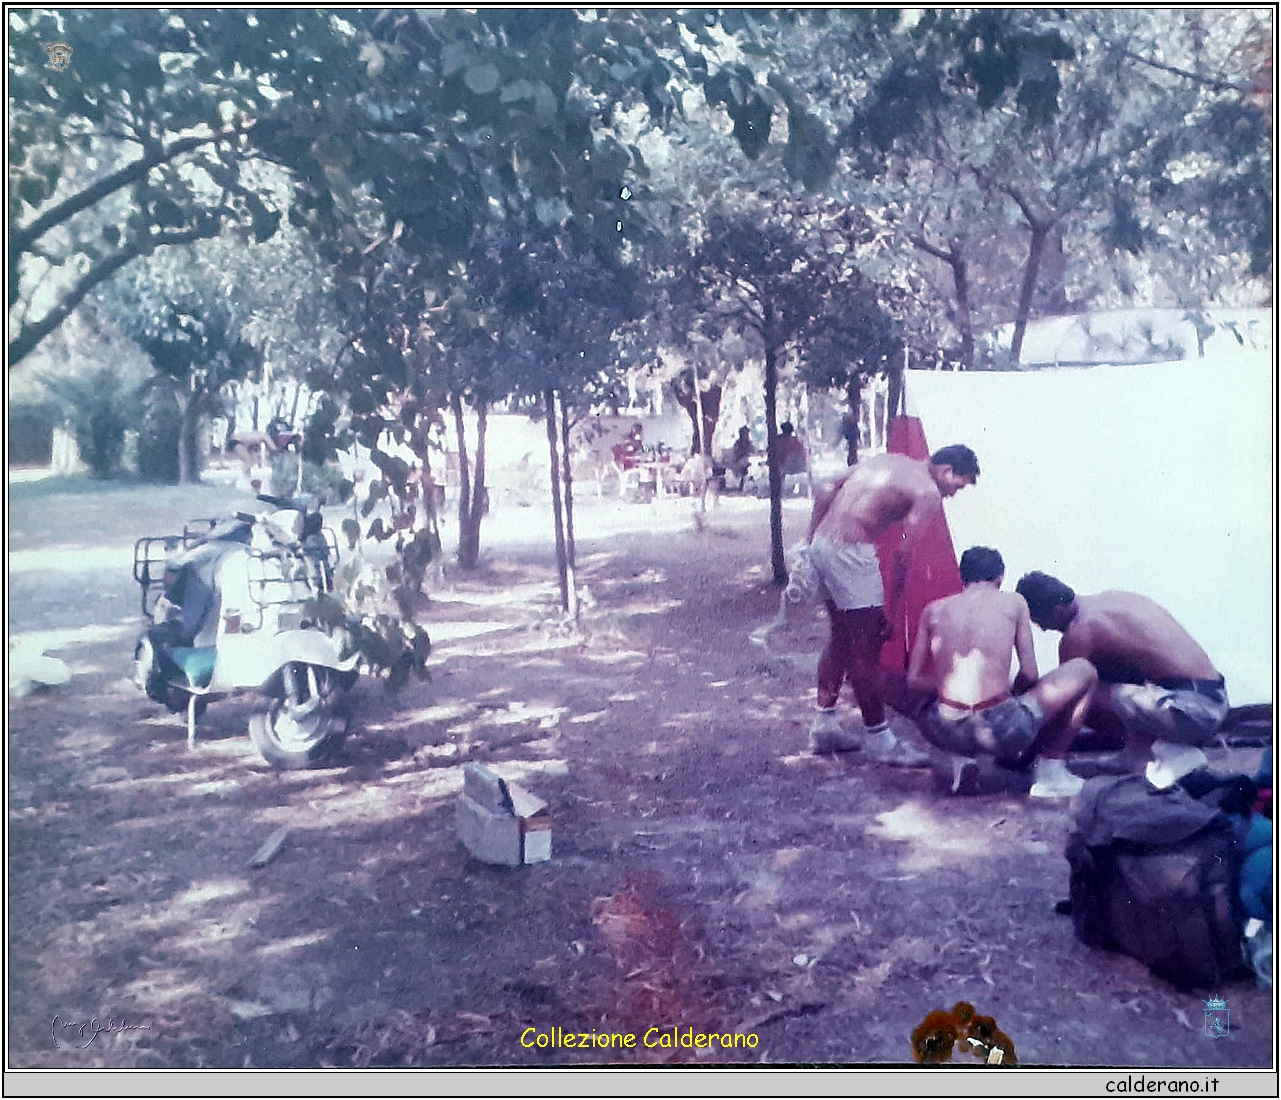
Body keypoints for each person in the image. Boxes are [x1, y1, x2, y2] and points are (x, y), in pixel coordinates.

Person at [805, 443, 979, 765]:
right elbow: (902, 552)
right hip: (850, 552)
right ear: (946, 472)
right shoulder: (928, 492)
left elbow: (829, 485)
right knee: (866, 649)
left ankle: (825, 724)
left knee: (842, 638)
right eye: (959, 484)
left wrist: (810, 539)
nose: (955, 493)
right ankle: (880, 738)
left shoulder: (890, 461)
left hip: (824, 545)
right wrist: (891, 608)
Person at [906, 547, 1098, 798]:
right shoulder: (1014, 602)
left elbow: (914, 680)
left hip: (943, 730)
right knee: (1085, 670)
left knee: (940, 697)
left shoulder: (933, 610)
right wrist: (1011, 694)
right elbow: (1029, 674)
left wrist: (952, 691)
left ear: (963, 577)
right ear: (1000, 578)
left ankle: (962, 760)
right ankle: (1050, 773)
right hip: (1000, 731)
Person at [1014, 571, 1230, 786]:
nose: (1043, 629)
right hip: (1210, 700)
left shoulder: (1081, 630)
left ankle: (1163, 752)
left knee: (1079, 692)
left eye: (1041, 621)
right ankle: (1138, 753)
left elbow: (1062, 702)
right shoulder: (1109, 599)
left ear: (1058, 610)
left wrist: (1023, 757)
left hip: (1191, 710)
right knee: (1105, 678)